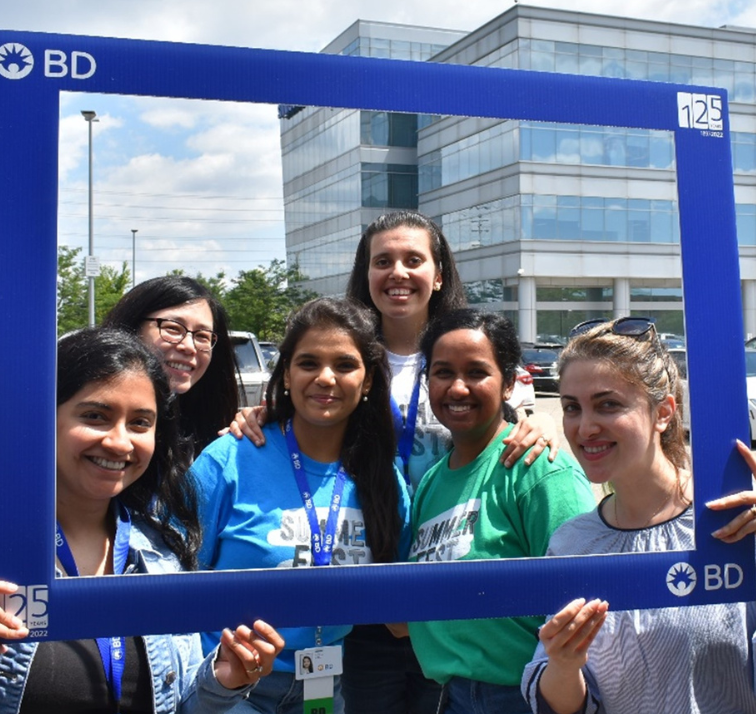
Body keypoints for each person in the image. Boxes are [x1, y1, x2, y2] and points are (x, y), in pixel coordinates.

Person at [228, 211, 563, 713]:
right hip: (361, 583)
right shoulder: (344, 355)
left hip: (443, 585)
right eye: (382, 261)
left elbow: (500, 430)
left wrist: (536, 427)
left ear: (440, 273)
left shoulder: (461, 350)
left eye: (413, 260)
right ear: (366, 273)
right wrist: (256, 415)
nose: (398, 273)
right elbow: (301, 421)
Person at [0, 328, 284, 713]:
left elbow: (175, 702)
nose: (119, 442)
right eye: (95, 416)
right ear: (42, 420)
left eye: (140, 422)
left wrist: (222, 680)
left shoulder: (161, 551)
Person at [522, 316, 756, 714]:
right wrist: (564, 665)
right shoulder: (571, 543)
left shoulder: (736, 516)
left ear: (664, 413)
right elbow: (565, 704)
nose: (585, 427)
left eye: (608, 405)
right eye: (571, 408)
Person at [192, 297, 411, 714]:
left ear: (367, 382)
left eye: (345, 365)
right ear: (287, 374)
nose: (326, 378)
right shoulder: (229, 459)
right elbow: (174, 578)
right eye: (309, 363)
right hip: (229, 685)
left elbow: (401, 612)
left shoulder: (382, 479)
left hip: (325, 686)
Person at [406, 308, 596, 714]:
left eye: (476, 372)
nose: (458, 388)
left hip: (521, 696)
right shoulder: (433, 482)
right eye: (442, 373)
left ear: (509, 383)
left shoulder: (538, 468)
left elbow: (585, 595)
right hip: (448, 695)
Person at [104, 275, 239, 461]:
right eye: (173, 329)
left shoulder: (212, 439)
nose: (189, 347)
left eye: (202, 336)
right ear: (132, 328)